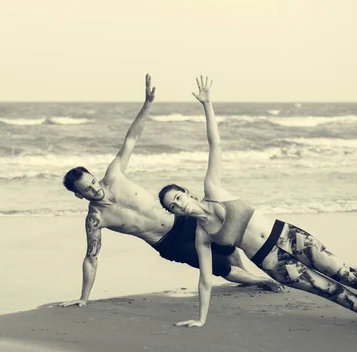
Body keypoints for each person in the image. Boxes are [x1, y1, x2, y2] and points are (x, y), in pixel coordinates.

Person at [158, 75, 357, 332]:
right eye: (172, 207)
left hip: (289, 235)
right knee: (334, 293)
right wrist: (201, 319)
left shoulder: (213, 190)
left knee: (344, 273)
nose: (178, 206)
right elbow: (205, 280)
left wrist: (207, 104)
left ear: (188, 193)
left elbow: (214, 143)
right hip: (272, 263)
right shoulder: (202, 236)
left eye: (178, 198)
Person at [59, 74, 283, 308]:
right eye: (87, 190)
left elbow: (132, 138)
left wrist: (147, 104)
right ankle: (259, 281)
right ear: (79, 195)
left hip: (182, 219)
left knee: (227, 246)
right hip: (168, 243)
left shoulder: (114, 174)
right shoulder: (95, 219)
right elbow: (91, 257)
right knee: (218, 266)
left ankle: (246, 276)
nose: (94, 189)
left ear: (94, 177)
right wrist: (84, 298)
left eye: (92, 182)